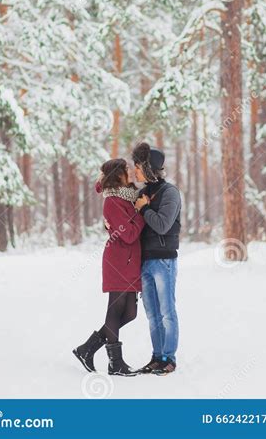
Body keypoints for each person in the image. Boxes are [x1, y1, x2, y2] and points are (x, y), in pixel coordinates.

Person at [73, 158, 144, 377]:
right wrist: (140, 213)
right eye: (126, 170)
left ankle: (87, 349)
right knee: (115, 311)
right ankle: (116, 363)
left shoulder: (127, 195)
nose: (130, 172)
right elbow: (130, 234)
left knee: (130, 314)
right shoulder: (112, 202)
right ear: (118, 174)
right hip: (119, 261)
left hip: (130, 262)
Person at [132, 142, 181, 375]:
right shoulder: (141, 194)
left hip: (163, 261)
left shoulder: (170, 192)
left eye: (139, 167)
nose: (135, 171)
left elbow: (162, 225)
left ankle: (168, 358)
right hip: (145, 261)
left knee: (167, 312)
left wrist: (143, 209)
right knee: (152, 314)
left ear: (150, 168)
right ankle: (156, 356)